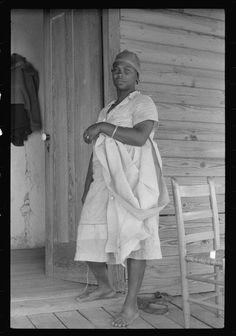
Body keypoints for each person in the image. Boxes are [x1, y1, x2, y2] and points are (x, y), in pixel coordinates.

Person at [74, 50, 169, 327]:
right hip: (104, 180)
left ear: (137, 76)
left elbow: (140, 137)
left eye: (127, 69)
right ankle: (104, 286)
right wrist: (87, 183)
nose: (120, 73)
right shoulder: (107, 108)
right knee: (88, 231)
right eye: (116, 68)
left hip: (134, 182)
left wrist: (103, 125)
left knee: (135, 239)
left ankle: (130, 306)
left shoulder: (143, 102)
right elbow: (97, 152)